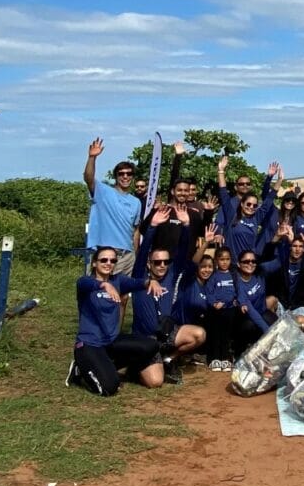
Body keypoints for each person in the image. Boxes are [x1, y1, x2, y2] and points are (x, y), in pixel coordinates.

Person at [66, 246, 163, 396]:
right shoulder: (86, 283)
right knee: (109, 388)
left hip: (111, 342)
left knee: (151, 345)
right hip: (89, 344)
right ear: (94, 263)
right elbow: (83, 283)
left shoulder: (118, 280)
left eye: (112, 260)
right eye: (103, 260)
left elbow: (138, 283)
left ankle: (106, 367)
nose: (108, 263)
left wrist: (151, 282)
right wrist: (103, 285)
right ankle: (80, 370)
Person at [131, 207, 208, 385]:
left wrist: (186, 225)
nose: (162, 265)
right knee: (155, 382)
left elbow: (183, 250)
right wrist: (152, 226)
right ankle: (137, 364)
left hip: (166, 334)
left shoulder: (171, 275)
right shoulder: (139, 277)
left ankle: (168, 359)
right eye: (157, 262)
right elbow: (142, 254)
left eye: (166, 261)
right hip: (146, 338)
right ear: (149, 265)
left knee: (199, 334)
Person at [83, 137, 142, 276]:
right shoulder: (103, 192)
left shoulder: (136, 202)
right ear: (116, 176)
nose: (125, 177)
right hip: (108, 255)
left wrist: (136, 253)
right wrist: (92, 157)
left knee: (123, 295)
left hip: (128, 256)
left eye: (129, 174)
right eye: (121, 174)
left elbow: (135, 231)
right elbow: (88, 178)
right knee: (102, 293)